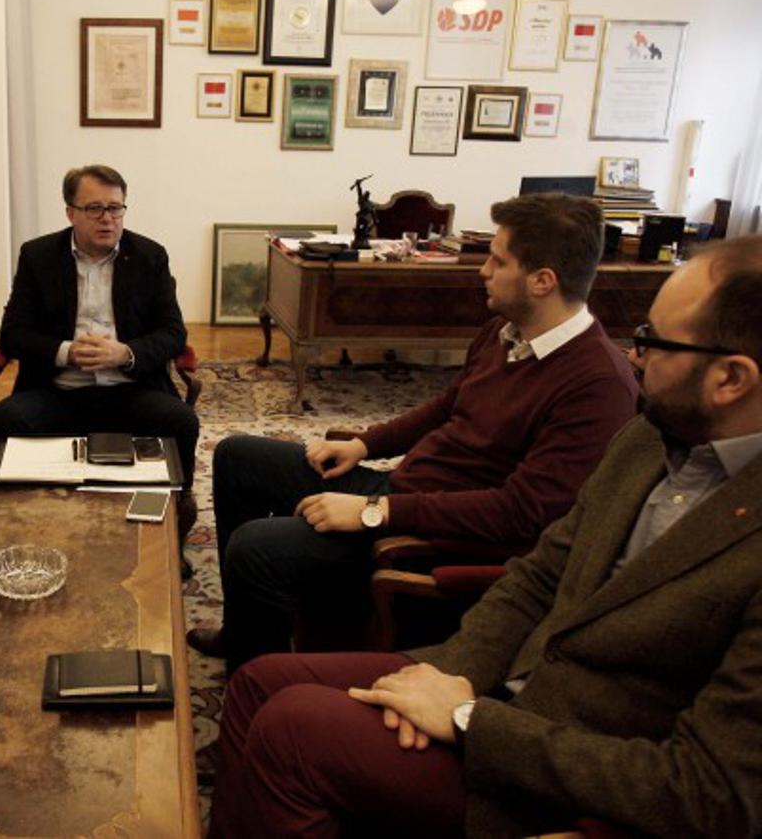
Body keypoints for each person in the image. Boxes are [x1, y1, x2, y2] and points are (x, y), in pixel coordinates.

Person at [208, 235, 762, 838]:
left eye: (653, 342)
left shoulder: (610, 395)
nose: (634, 354)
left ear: (730, 378)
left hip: (551, 767)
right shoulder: (649, 441)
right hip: (497, 683)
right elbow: (539, 575)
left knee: (292, 724)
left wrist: (470, 720)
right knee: (258, 683)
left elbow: (708, 794)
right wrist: (457, 673)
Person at [191, 193, 639, 670]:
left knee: (256, 547)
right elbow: (448, 407)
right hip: (404, 494)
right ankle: (246, 633)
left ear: (542, 281)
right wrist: (366, 443)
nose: (483, 270)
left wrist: (375, 512)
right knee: (239, 456)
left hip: (437, 537)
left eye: (498, 260)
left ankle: (258, 683)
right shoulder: (504, 331)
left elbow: (519, 513)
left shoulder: (597, 386)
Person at [0, 164, 200, 538]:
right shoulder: (38, 257)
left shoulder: (149, 257)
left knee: (181, 421)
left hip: (131, 389)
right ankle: (15, 527)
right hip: (58, 390)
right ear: (70, 212)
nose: (108, 218)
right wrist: (66, 352)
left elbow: (173, 333)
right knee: (6, 420)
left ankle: (171, 524)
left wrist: (125, 354)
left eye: (115, 208)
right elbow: (13, 334)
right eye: (95, 208)